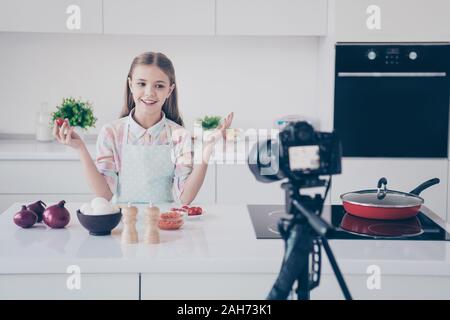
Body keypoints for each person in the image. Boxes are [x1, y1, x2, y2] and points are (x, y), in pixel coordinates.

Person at [53, 52, 233, 204]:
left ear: (169, 91)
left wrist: (208, 149)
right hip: (122, 225)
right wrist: (81, 149)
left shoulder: (180, 136)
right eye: (141, 84)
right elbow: (105, 194)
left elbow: (184, 198)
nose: (149, 92)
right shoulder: (112, 133)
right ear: (131, 84)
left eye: (159, 86)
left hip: (164, 226)